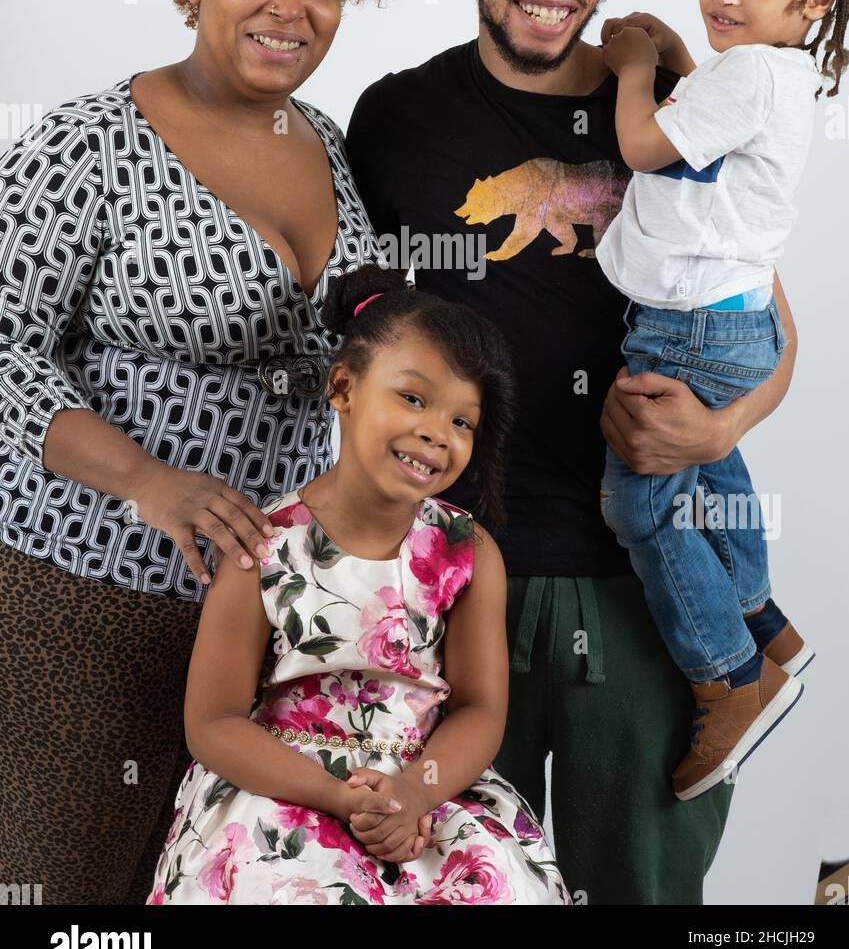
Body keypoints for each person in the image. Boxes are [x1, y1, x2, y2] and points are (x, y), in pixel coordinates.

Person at [346, 0, 801, 904]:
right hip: (449, 578)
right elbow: (355, 331)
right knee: (447, 883)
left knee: (642, 892)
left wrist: (724, 427)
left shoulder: (673, 105)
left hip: (638, 588)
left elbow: (769, 324)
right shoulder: (395, 118)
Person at [0, 0, 402, 904]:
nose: (290, 6)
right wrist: (148, 480)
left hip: (259, 622)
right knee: (63, 894)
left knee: (208, 887)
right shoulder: (91, 143)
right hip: (84, 597)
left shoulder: (324, 143)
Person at [146, 262, 571, 905]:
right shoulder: (260, 547)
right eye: (414, 398)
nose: (437, 432)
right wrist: (336, 796)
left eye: (463, 421)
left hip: (421, 788)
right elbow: (212, 721)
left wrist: (413, 794)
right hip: (286, 787)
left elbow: (482, 710)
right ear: (343, 387)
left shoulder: (468, 552)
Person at [594, 0, 849, 800]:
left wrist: (632, 64)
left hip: (689, 330)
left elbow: (643, 145)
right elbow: (700, 121)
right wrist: (671, 51)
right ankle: (767, 623)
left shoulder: (747, 74)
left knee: (640, 505)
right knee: (714, 480)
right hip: (729, 323)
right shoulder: (765, 72)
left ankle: (730, 678)